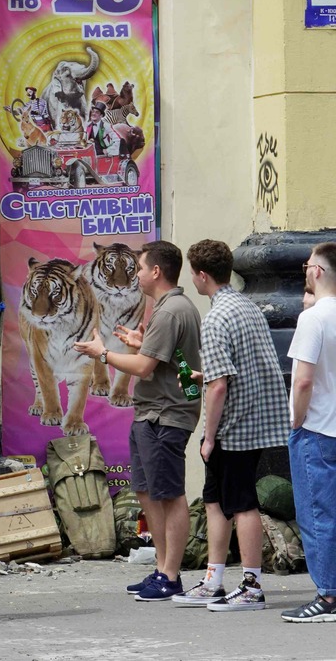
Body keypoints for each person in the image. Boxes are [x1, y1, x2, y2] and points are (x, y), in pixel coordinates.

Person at [74, 240, 202, 601]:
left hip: (166, 414)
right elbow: (164, 358)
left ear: (157, 272)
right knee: (147, 491)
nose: (137, 275)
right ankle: (161, 567)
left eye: (141, 268)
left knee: (170, 495)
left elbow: (144, 367)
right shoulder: (166, 308)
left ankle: (171, 574)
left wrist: (105, 354)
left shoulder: (172, 310)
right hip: (150, 412)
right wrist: (140, 341)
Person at [170, 239, 287, 611]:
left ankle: (251, 584)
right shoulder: (246, 306)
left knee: (241, 503)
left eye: (192, 272)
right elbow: (238, 369)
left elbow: (220, 386)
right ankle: (213, 579)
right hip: (255, 416)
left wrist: (208, 435)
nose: (192, 278)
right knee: (216, 500)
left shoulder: (217, 317)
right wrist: (207, 376)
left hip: (236, 424)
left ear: (202, 275)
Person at [283, 242, 336, 622]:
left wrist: (296, 421)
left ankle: (328, 597)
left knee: (317, 516)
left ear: (317, 271)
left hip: (317, 427)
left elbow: (302, 381)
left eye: (306, 265)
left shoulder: (314, 319)